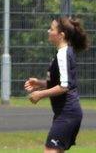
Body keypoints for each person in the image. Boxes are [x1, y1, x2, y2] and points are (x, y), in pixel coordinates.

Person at [24, 16, 88, 153]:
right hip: (65, 114)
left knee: (49, 150)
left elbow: (64, 86)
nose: (48, 31)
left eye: (51, 29)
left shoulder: (63, 54)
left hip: (67, 114)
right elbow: (61, 83)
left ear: (61, 35)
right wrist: (40, 83)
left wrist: (40, 94)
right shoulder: (63, 53)